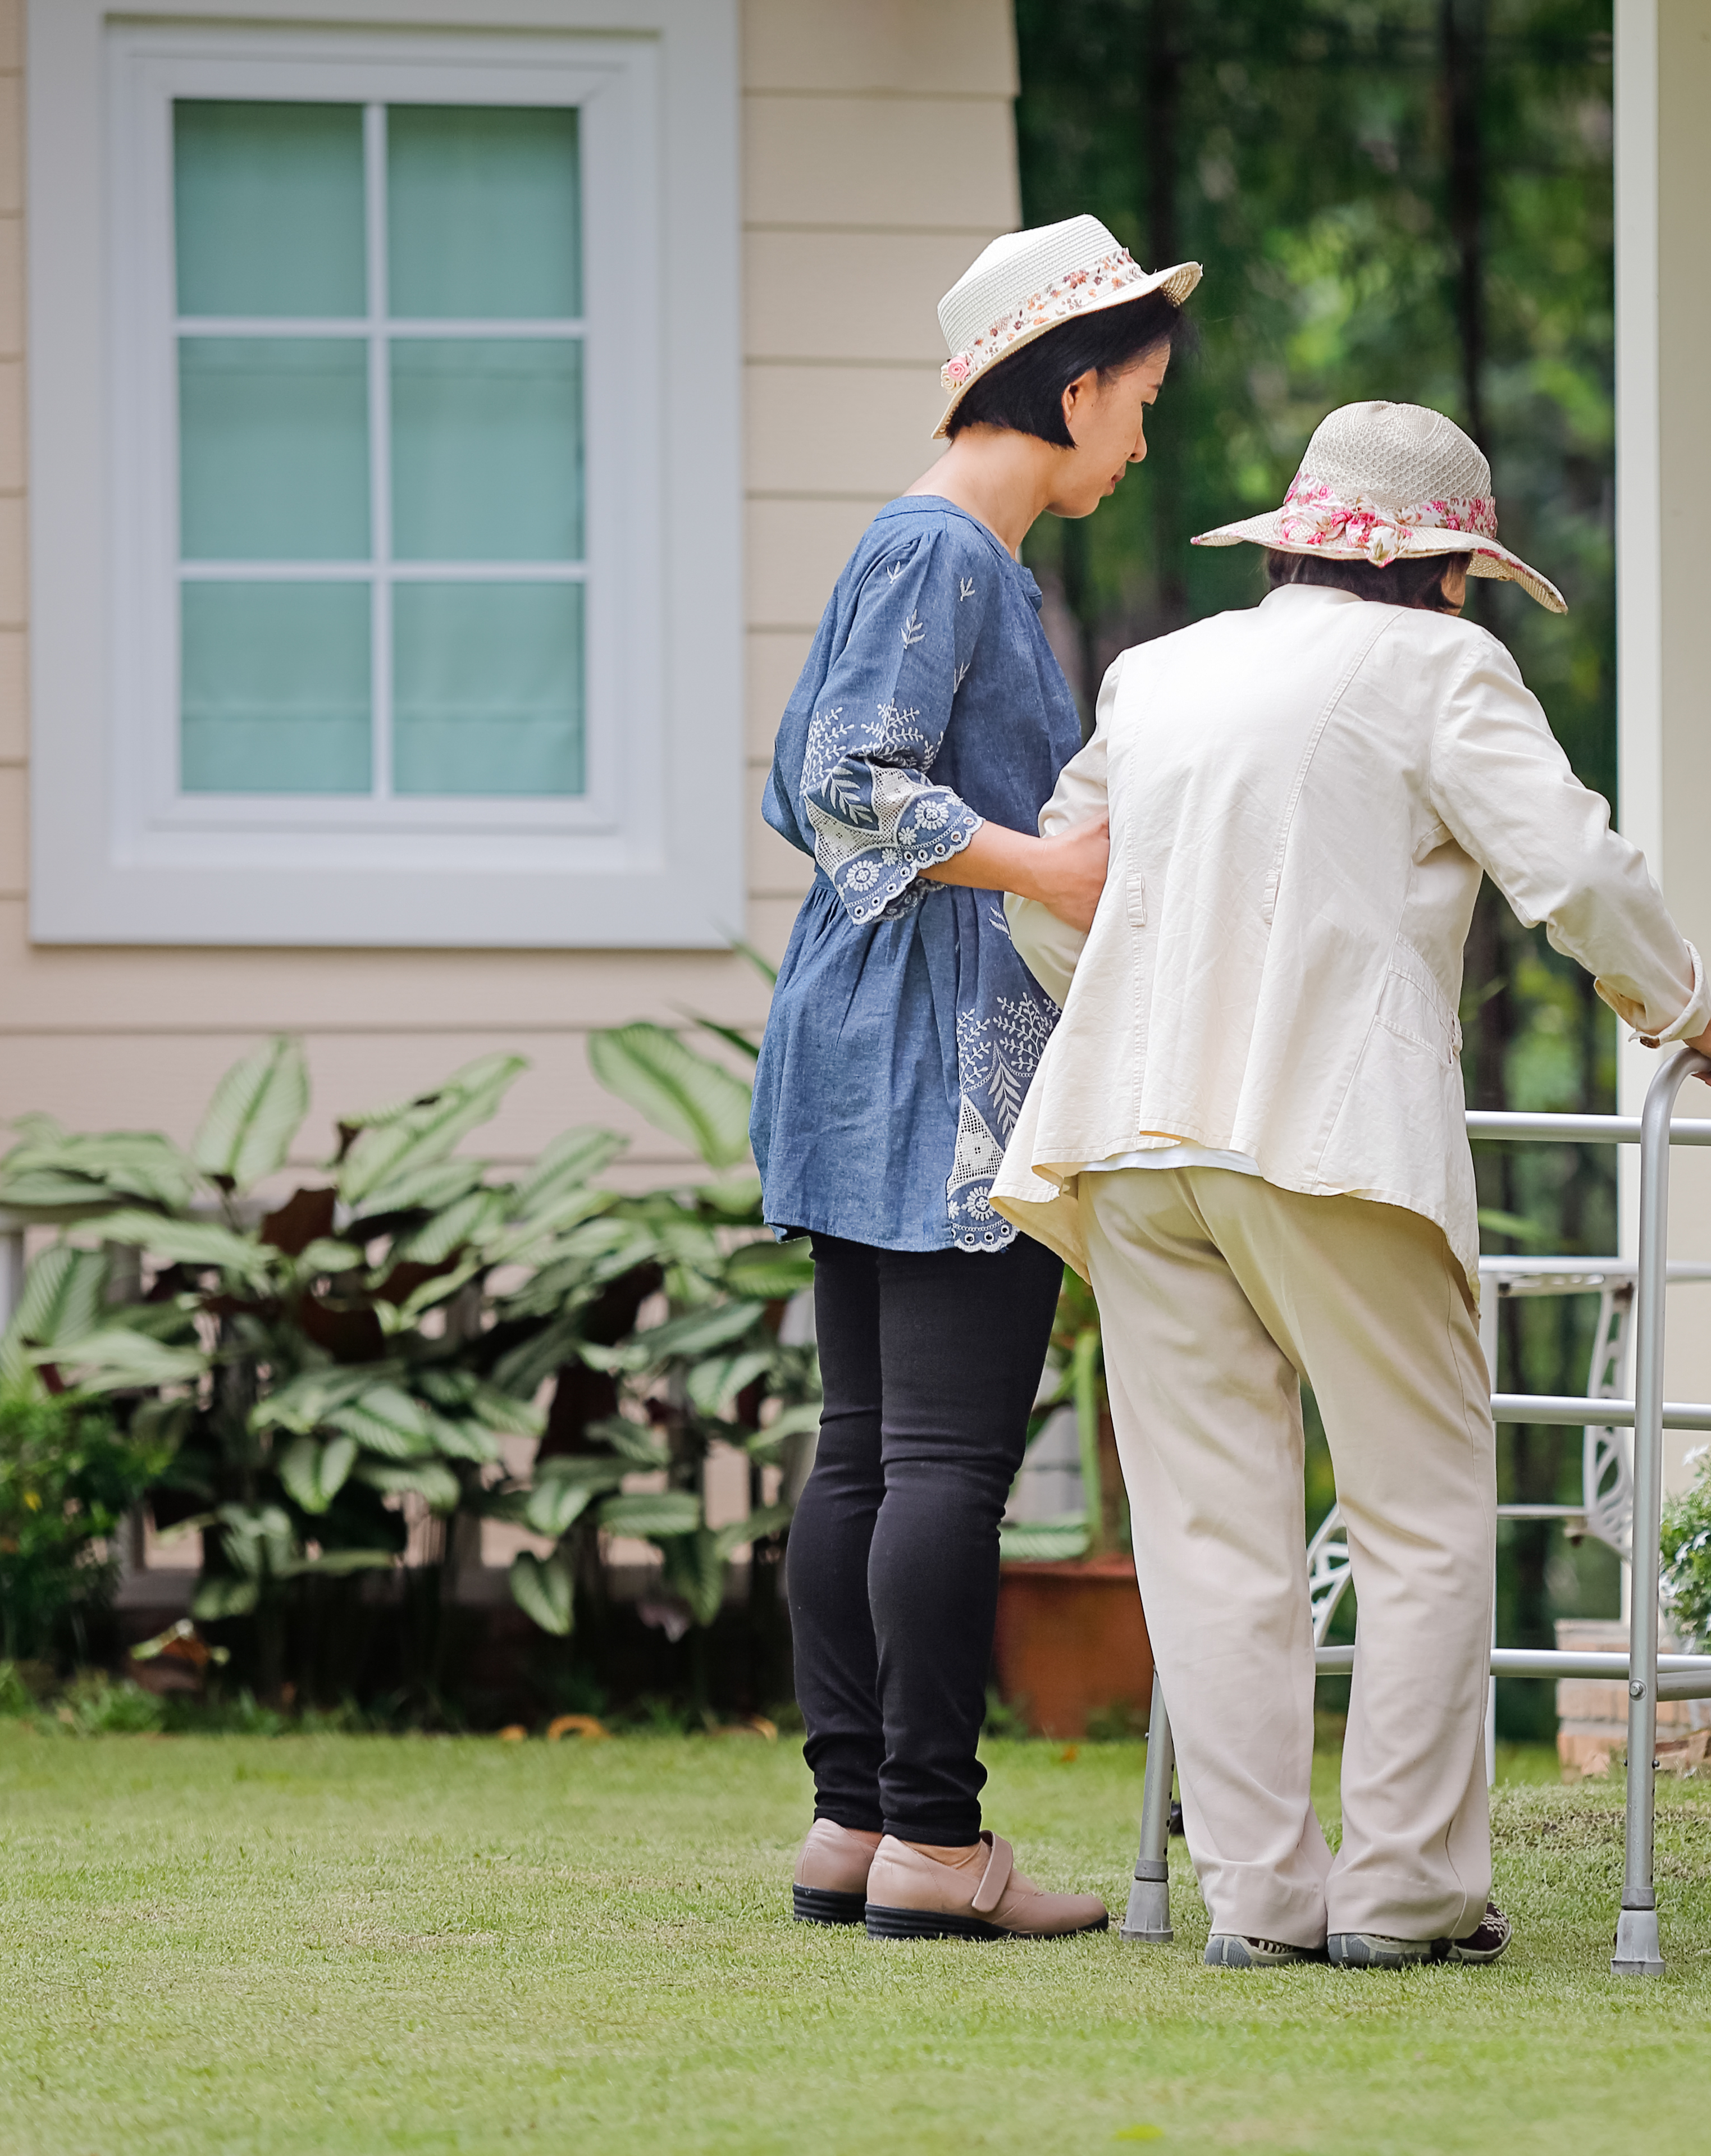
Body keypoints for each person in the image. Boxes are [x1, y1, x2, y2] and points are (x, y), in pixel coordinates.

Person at [989, 402, 1711, 1969]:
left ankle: (1267, 1905)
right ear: (1445, 571)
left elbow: (1055, 896)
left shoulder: (1161, 674)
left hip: (1135, 1137)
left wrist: (1152, 999)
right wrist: (1695, 1014)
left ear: (1292, 541)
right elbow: (1573, 868)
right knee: (1419, 1512)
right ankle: (1410, 1896)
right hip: (1329, 1133)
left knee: (1213, 1533)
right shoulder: (1438, 669)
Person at [751, 214, 1197, 1943]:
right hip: (944, 1042)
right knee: (939, 1459)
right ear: (1072, 389)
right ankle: (934, 1841)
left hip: (859, 1018)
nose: (1144, 441)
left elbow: (799, 795)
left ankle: (854, 1828)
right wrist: (1048, 868)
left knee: (865, 1453)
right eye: (1138, 404)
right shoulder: (944, 555)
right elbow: (846, 781)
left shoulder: (927, 552)